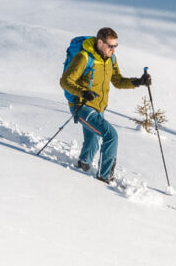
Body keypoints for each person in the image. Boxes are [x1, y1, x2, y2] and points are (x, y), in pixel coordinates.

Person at [61, 26, 149, 182]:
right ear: (100, 43)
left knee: (93, 139)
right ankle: (105, 176)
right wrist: (83, 92)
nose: (113, 49)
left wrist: (138, 82)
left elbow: (118, 81)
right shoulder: (84, 57)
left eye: (115, 46)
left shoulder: (111, 59)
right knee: (110, 135)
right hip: (81, 106)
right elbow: (65, 81)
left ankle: (83, 164)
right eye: (110, 46)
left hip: (99, 107)